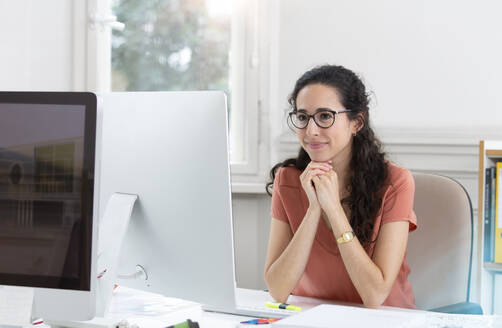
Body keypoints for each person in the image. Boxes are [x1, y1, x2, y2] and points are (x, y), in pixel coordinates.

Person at [264, 65, 417, 309]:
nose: (311, 131)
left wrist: (333, 209)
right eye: (303, 117)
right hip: (315, 320)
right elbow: (278, 290)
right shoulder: (288, 180)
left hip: (384, 321)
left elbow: (375, 295)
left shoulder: (396, 182)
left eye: (325, 116)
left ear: (357, 122)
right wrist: (314, 208)